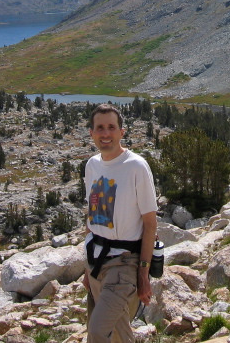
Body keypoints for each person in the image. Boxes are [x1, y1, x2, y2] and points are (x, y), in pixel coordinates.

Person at [82, 103, 158, 343]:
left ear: (121, 132)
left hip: (123, 263)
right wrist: (86, 269)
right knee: (118, 332)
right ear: (92, 133)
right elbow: (91, 214)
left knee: (97, 331)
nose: (106, 133)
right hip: (95, 260)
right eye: (100, 128)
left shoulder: (136, 166)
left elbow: (150, 223)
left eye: (111, 127)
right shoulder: (92, 165)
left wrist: (143, 274)